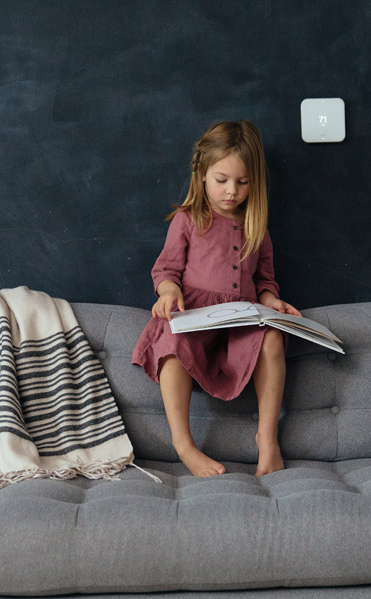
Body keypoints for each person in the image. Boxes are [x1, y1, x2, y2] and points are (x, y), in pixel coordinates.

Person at [131, 120, 300, 478]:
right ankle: (184, 445)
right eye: (221, 180)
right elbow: (166, 270)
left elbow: (264, 280)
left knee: (272, 338)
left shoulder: (257, 228)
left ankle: (267, 440)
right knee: (172, 344)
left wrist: (272, 301)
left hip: (240, 323)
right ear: (201, 173)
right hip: (196, 317)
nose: (231, 192)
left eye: (242, 182)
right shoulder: (189, 219)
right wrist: (169, 292)